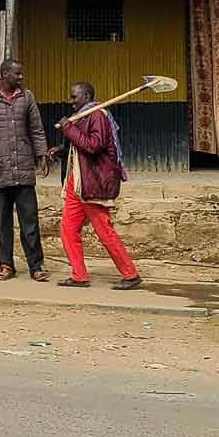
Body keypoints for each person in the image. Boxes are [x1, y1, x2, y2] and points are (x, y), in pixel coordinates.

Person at [51, 82, 141, 290]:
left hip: (92, 183)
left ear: (87, 96)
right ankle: (79, 275)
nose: (71, 101)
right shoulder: (82, 116)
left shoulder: (98, 115)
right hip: (77, 182)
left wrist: (67, 127)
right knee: (68, 228)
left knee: (104, 230)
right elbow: (77, 146)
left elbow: (94, 145)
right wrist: (60, 151)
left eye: (74, 97)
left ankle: (131, 274)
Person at [0, 59, 51, 282]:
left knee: (30, 222)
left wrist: (42, 155)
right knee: (2, 222)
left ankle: (36, 266)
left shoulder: (27, 97)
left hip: (23, 169)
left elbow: (37, 129)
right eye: (17, 74)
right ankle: (6, 265)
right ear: (5, 74)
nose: (21, 77)